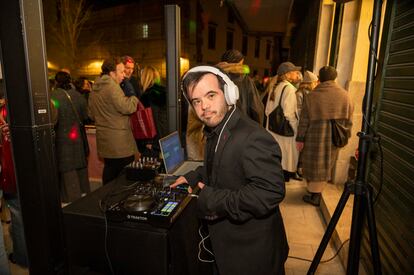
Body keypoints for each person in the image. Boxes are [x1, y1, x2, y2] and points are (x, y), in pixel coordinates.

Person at [171, 65, 288, 275]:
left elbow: (270, 192)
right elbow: (216, 166)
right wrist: (191, 177)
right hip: (229, 247)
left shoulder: (252, 137)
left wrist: (211, 199)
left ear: (228, 93)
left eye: (210, 95)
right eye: (196, 101)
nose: (204, 106)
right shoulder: (217, 129)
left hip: (251, 254)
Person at [296, 66, 353, 206]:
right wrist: (345, 133)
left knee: (313, 163)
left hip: (314, 135)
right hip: (334, 136)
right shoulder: (345, 95)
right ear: (335, 78)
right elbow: (349, 119)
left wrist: (300, 138)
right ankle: (317, 193)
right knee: (326, 163)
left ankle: (315, 195)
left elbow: (304, 121)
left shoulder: (312, 96)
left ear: (319, 78)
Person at [88, 57, 139, 184]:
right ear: (112, 73)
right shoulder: (112, 86)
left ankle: (107, 199)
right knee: (124, 177)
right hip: (119, 143)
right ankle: (120, 201)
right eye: (121, 72)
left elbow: (91, 114)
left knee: (110, 172)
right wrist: (133, 95)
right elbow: (128, 107)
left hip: (105, 141)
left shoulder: (95, 87)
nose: (124, 75)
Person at [51, 71, 90, 203]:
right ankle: (85, 195)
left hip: (62, 140)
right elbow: (86, 117)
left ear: (56, 82)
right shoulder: (78, 96)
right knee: (80, 168)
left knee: (68, 170)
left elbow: (52, 120)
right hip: (78, 138)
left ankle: (71, 200)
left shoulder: (53, 96)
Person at [265, 61, 302, 182]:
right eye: (294, 71)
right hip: (285, 131)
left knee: (276, 159)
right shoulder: (289, 89)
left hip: (272, 129)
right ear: (287, 74)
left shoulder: (274, 86)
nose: (297, 73)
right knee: (286, 159)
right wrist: (295, 128)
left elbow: (267, 111)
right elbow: (289, 113)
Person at [217, 49, 264, 125]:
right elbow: (257, 109)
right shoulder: (245, 80)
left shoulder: (215, 77)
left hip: (219, 126)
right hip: (241, 127)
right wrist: (258, 127)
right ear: (238, 63)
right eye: (242, 63)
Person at [138, 66, 167, 156]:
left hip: (154, 142)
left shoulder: (146, 96)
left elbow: (150, 122)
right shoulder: (166, 92)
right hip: (167, 138)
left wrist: (151, 143)